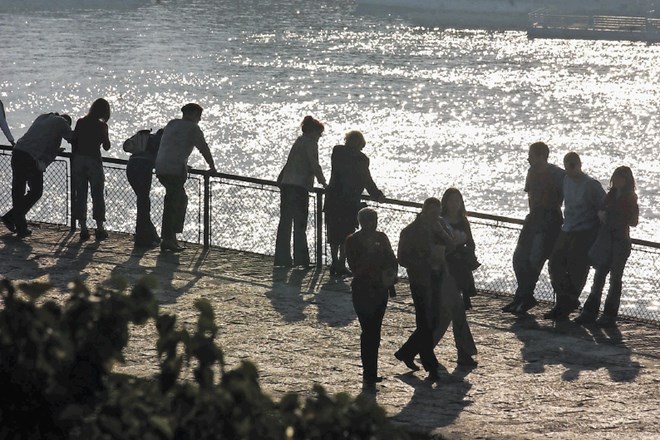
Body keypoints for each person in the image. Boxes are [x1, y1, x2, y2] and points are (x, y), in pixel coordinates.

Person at [394, 197, 477, 380]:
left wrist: (442, 232)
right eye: (431, 213)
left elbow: (451, 246)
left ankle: (406, 352)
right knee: (425, 323)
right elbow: (402, 259)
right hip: (421, 281)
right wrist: (425, 262)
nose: (435, 217)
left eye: (437, 213)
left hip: (439, 279)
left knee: (432, 321)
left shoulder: (440, 226)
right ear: (423, 211)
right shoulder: (410, 231)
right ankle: (430, 366)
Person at [503, 142, 566, 314]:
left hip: (549, 220)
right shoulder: (531, 172)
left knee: (534, 259)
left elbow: (567, 197)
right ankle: (523, 295)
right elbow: (530, 196)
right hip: (533, 218)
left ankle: (524, 296)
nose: (528, 158)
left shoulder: (558, 174)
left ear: (541, 156)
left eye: (531, 154)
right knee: (519, 258)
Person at [574, 166, 638, 327]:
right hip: (606, 240)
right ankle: (590, 311)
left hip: (620, 241)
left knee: (615, 279)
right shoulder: (610, 195)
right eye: (616, 177)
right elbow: (601, 209)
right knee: (599, 277)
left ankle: (609, 314)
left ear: (627, 180)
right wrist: (601, 213)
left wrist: (614, 214)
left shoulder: (630, 198)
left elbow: (633, 220)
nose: (617, 181)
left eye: (621, 178)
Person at [546, 152, 605, 321]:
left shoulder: (591, 185)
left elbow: (603, 205)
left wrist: (597, 229)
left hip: (584, 230)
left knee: (577, 268)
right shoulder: (565, 180)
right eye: (568, 165)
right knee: (555, 263)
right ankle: (564, 300)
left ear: (580, 164)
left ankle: (567, 303)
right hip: (567, 228)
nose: (571, 169)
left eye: (573, 165)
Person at [345, 207, 397, 386]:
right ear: (360, 222)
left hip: (380, 289)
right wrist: (370, 254)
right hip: (362, 289)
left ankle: (371, 371)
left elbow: (392, 260)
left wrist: (391, 273)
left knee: (375, 330)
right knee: (368, 330)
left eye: (373, 220)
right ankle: (369, 371)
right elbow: (355, 268)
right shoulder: (352, 241)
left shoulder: (382, 238)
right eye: (367, 221)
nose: (370, 225)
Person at [155, 103, 217, 252]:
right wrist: (212, 166)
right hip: (174, 170)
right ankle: (169, 239)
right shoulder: (193, 128)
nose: (200, 120)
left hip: (161, 167)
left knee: (175, 200)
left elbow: (173, 146)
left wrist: (183, 163)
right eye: (199, 116)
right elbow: (203, 148)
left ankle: (170, 238)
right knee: (176, 202)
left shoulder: (172, 124)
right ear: (195, 114)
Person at [1, 112, 73, 237]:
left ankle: (17, 223)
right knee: (36, 191)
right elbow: (72, 138)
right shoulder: (62, 122)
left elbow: (40, 138)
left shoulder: (44, 117)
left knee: (18, 191)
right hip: (30, 157)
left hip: (18, 151)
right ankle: (13, 219)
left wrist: (54, 149)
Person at [324, 130, 385, 276]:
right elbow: (366, 179)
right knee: (347, 232)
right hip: (349, 200)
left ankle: (334, 262)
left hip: (333, 197)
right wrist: (376, 194)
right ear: (361, 143)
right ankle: (341, 263)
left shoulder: (337, 151)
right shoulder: (361, 159)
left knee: (333, 232)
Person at [274, 116, 327, 267]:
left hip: (287, 184)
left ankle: (282, 258)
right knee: (300, 224)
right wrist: (323, 182)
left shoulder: (298, 141)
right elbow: (314, 164)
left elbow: (289, 162)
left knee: (285, 222)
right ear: (313, 132)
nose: (320, 137)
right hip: (299, 186)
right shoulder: (310, 143)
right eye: (319, 134)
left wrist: (281, 179)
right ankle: (301, 260)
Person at [71, 98, 112, 241]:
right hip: (94, 161)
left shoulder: (81, 122)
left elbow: (74, 138)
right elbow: (106, 146)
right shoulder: (102, 126)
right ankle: (100, 228)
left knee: (80, 194)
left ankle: (83, 228)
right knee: (97, 195)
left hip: (79, 160)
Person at [440, 188, 481, 310]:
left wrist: (469, 251)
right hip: (444, 254)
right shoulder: (441, 220)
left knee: (459, 263)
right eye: (451, 201)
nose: (454, 204)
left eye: (457, 201)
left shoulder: (463, 221)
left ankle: (463, 296)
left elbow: (470, 241)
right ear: (445, 202)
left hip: (459, 255)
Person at [126, 128, 164, 247]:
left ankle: (147, 234)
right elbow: (160, 158)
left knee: (142, 201)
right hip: (144, 167)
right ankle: (144, 236)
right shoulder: (160, 142)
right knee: (143, 202)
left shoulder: (145, 137)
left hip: (131, 165)